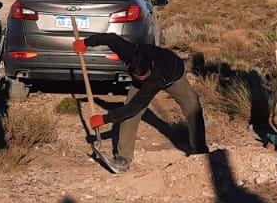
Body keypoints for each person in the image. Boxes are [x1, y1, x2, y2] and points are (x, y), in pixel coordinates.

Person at [72, 33, 207, 172]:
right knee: (130, 117)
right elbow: (110, 38)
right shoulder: (128, 51)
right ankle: (123, 159)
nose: (143, 79)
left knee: (193, 107)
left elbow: (133, 107)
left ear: (150, 68)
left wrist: (105, 119)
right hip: (146, 80)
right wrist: (85, 43)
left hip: (174, 75)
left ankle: (200, 151)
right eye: (139, 77)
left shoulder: (155, 80)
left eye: (145, 76)